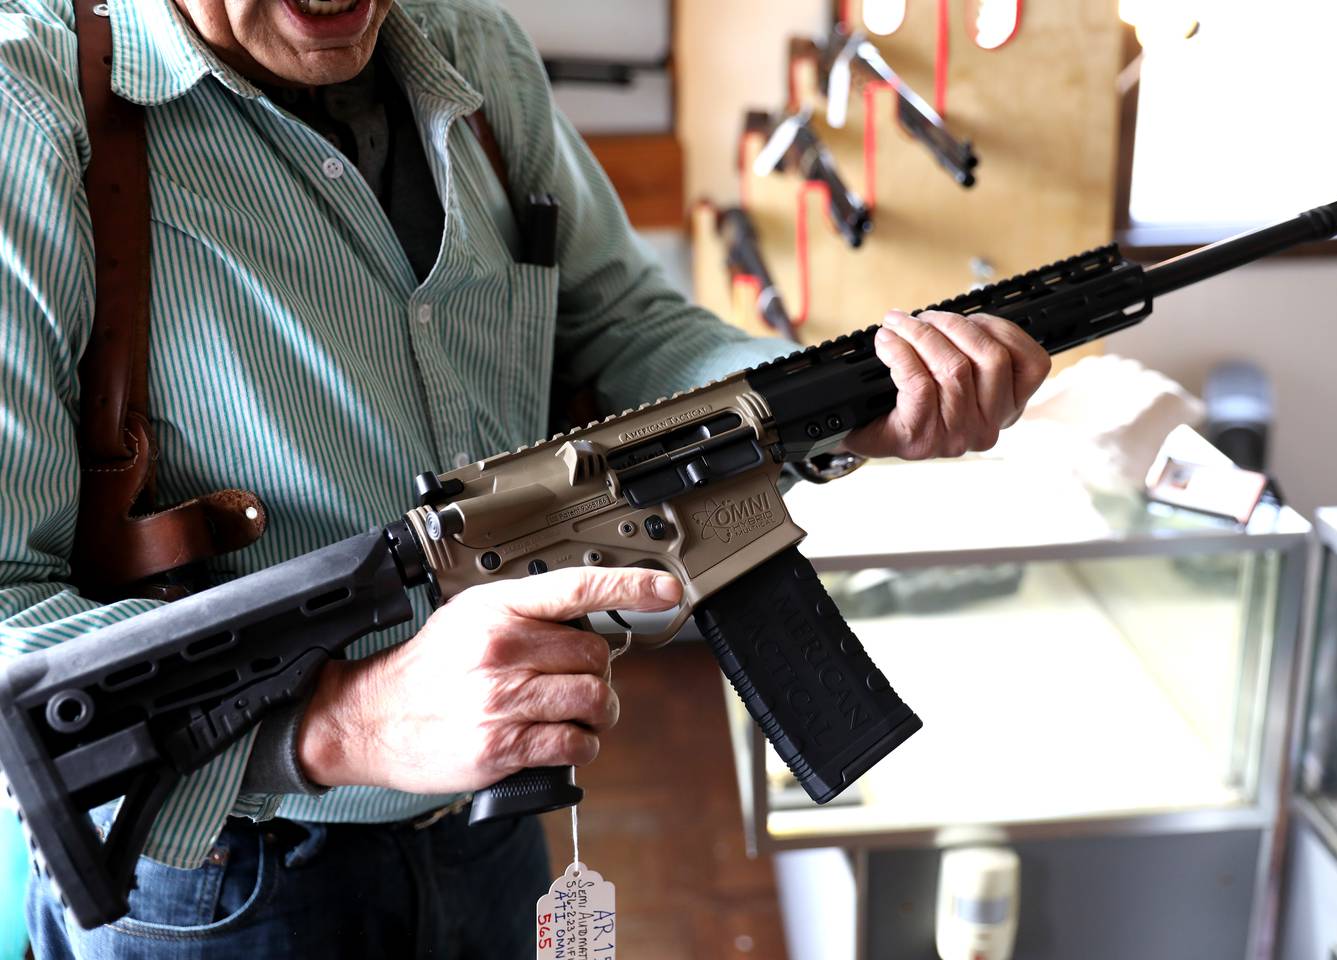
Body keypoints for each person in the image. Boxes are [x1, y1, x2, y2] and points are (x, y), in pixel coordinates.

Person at [0, 0, 1052, 955]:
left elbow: (626, 326)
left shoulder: (475, 50)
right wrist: (344, 725)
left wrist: (854, 403)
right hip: (223, 885)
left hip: (495, 816)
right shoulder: (32, 112)